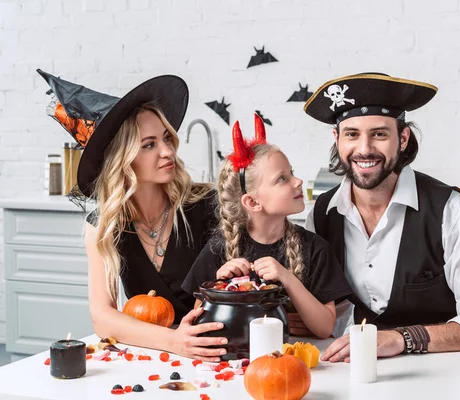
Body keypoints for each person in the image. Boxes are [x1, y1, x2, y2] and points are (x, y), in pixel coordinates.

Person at [301, 72, 460, 361]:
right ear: (337, 139)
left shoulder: (452, 211)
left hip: (457, 370)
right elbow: (330, 310)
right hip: (370, 373)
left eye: (379, 134)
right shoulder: (322, 215)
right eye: (352, 134)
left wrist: (403, 338)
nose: (364, 148)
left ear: (402, 138)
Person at [38, 70, 227, 361]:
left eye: (166, 138)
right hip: (153, 353)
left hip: (217, 350)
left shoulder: (207, 204)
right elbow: (103, 318)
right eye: (149, 145)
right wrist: (175, 342)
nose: (167, 152)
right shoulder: (103, 227)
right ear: (122, 159)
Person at [183, 114, 353, 339]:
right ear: (252, 202)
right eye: (282, 179)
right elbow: (197, 323)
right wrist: (218, 286)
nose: (298, 181)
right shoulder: (219, 248)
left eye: (291, 173)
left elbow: (324, 328)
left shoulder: (315, 249)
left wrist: (288, 278)